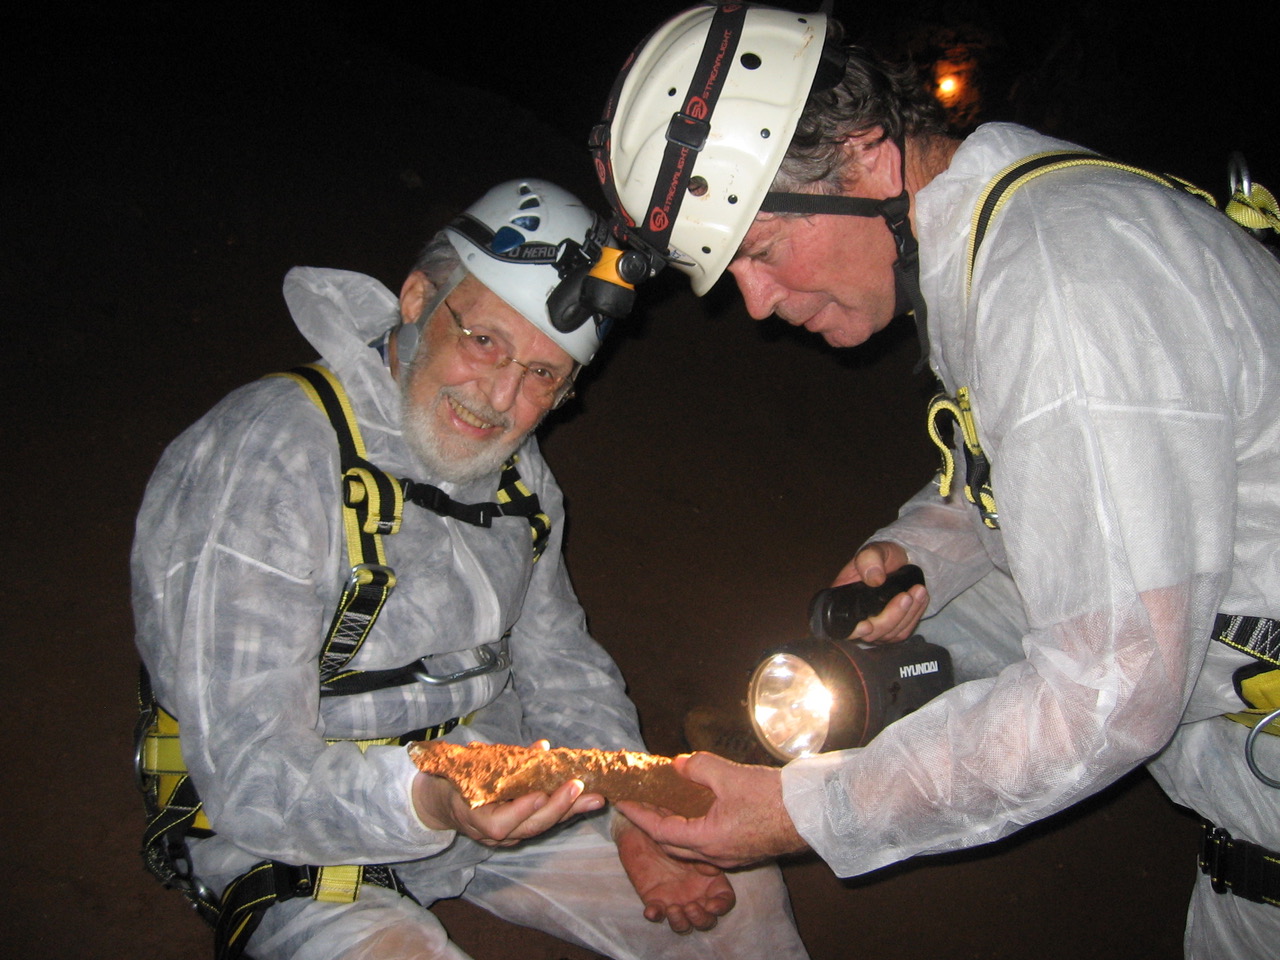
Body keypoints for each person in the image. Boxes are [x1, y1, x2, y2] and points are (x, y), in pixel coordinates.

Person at [591, 5, 1280, 958]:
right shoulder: (1009, 228)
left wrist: (805, 815)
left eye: (759, 249)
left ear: (869, 160)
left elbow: (1107, 694)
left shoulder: (1064, 284)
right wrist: (919, 555)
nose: (751, 303)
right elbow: (1035, 490)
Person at [131, 178, 810, 960]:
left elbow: (562, 662)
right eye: (484, 340)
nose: (499, 397)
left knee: (732, 872)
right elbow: (250, 775)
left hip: (498, 788)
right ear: (417, 298)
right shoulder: (267, 457)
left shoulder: (518, 475)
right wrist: (430, 794)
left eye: (543, 375)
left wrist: (628, 807)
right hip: (300, 833)